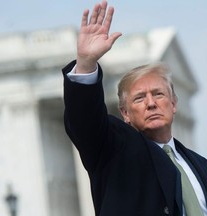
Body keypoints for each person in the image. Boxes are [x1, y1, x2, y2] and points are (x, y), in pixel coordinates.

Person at [62, 1, 207, 216]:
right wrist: (85, 64)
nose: (151, 103)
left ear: (174, 103)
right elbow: (85, 121)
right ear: (125, 114)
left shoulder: (201, 165)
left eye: (158, 94)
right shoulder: (112, 150)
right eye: (139, 98)